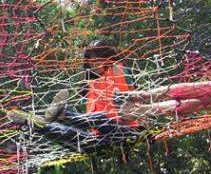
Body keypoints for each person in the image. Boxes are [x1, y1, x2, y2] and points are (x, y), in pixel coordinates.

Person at [13, 40, 145, 152]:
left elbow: (134, 98)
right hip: (103, 140)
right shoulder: (90, 84)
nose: (94, 64)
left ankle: (64, 115)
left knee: (99, 119)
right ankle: (32, 122)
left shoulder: (118, 70)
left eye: (98, 60)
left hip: (124, 131)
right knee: (70, 135)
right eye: (91, 62)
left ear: (107, 59)